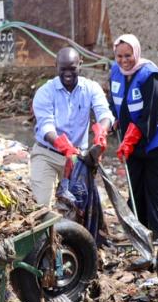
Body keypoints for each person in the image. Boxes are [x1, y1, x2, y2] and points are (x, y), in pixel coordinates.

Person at [111, 34, 158, 242]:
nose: (124, 61)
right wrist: (115, 119)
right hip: (134, 145)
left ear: (137, 53)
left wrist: (130, 138)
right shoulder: (116, 71)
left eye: (128, 56)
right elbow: (115, 100)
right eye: (119, 56)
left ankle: (155, 237)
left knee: (155, 192)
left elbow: (151, 113)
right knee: (136, 189)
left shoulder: (151, 75)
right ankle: (137, 234)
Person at [31, 47, 114, 207]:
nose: (68, 73)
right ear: (56, 66)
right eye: (63, 69)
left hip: (78, 157)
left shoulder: (91, 88)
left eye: (72, 68)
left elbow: (104, 113)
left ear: (80, 64)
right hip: (47, 153)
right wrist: (63, 146)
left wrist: (101, 132)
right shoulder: (45, 92)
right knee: (41, 204)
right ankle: (44, 231)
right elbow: (46, 126)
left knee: (77, 207)